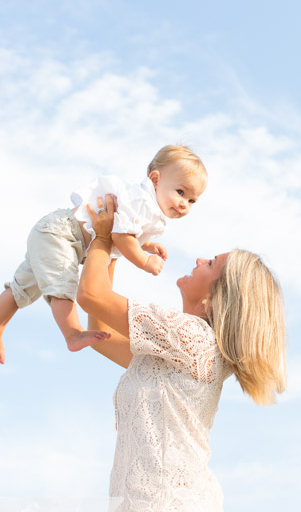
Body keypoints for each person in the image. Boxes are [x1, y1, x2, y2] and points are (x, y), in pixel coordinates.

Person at [77, 195, 287, 512]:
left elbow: (91, 296)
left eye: (210, 264)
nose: (200, 259)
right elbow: (98, 331)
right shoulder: (178, 350)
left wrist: (103, 237)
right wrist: (114, 248)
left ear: (216, 297)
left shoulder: (191, 337)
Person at [0, 145, 207, 364]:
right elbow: (121, 236)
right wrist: (144, 260)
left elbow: (127, 231)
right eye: (181, 193)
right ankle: (72, 332)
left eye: (192, 201)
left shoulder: (146, 208)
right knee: (62, 284)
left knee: (21, 288)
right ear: (155, 180)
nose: (184, 205)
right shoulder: (141, 201)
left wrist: (146, 245)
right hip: (63, 235)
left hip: (54, 234)